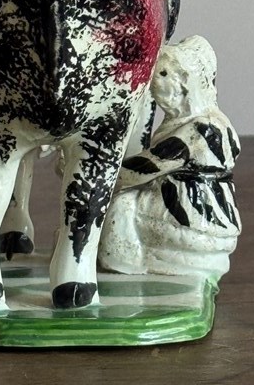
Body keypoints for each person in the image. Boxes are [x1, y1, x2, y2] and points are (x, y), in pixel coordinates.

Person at [98, 35, 241, 280]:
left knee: (123, 205)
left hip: (195, 219)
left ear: (185, 84)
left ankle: (124, 265)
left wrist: (96, 172)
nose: (153, 81)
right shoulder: (213, 121)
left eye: (163, 74)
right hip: (211, 220)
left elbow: (141, 170)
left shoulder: (200, 130)